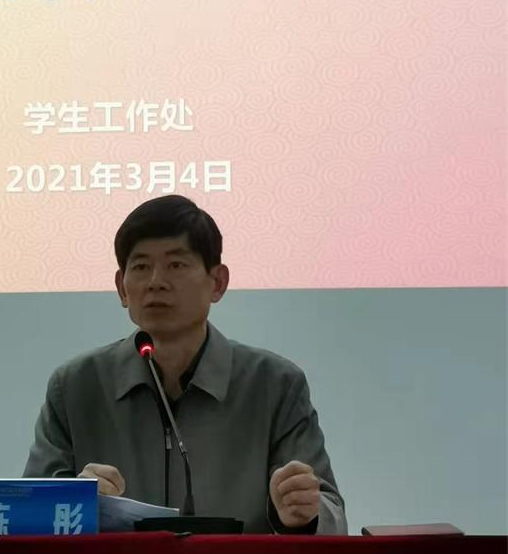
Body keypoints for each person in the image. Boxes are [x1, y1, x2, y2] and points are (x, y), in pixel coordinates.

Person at [24, 195, 347, 534]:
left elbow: (331, 514)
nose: (156, 281)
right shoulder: (75, 387)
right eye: (141, 267)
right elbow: (24, 518)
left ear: (217, 282)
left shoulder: (275, 384)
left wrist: (303, 514)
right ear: (122, 288)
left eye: (176, 265)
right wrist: (74, 500)